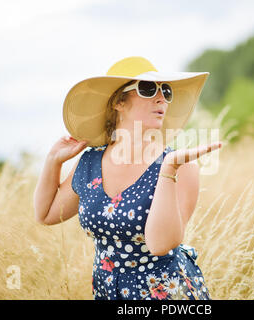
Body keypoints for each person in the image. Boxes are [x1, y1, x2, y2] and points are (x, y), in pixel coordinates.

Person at [34, 56, 222, 300]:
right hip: (107, 292)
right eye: (148, 88)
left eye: (166, 91)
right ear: (119, 102)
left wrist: (167, 170)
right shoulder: (90, 163)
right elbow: (46, 214)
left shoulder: (180, 166)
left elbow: (160, 244)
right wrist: (53, 160)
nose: (161, 98)